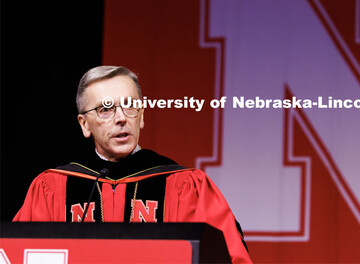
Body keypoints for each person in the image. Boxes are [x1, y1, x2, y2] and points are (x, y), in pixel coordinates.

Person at [14, 65, 251, 263]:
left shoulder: (185, 186)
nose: (121, 118)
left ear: (142, 116)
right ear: (84, 124)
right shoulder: (53, 187)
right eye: (105, 109)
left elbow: (229, 258)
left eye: (129, 106)